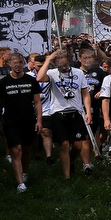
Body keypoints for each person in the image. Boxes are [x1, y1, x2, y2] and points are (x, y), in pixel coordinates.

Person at [36, 50, 94, 178]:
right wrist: (48, 59)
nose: (63, 66)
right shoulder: (51, 73)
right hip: (58, 113)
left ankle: (71, 162)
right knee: (64, 144)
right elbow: (39, 78)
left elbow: (85, 94)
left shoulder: (78, 73)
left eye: (65, 62)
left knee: (78, 145)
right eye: (59, 63)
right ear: (55, 63)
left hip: (75, 112)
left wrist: (88, 112)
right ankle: (67, 177)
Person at [0, 52, 42, 192]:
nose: (17, 65)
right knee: (16, 150)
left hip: (28, 120)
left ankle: (24, 172)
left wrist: (39, 121)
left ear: (24, 63)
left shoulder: (31, 80)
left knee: (27, 149)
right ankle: (20, 183)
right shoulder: (2, 83)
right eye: (14, 62)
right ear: (9, 64)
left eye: (20, 62)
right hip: (10, 121)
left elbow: (37, 102)